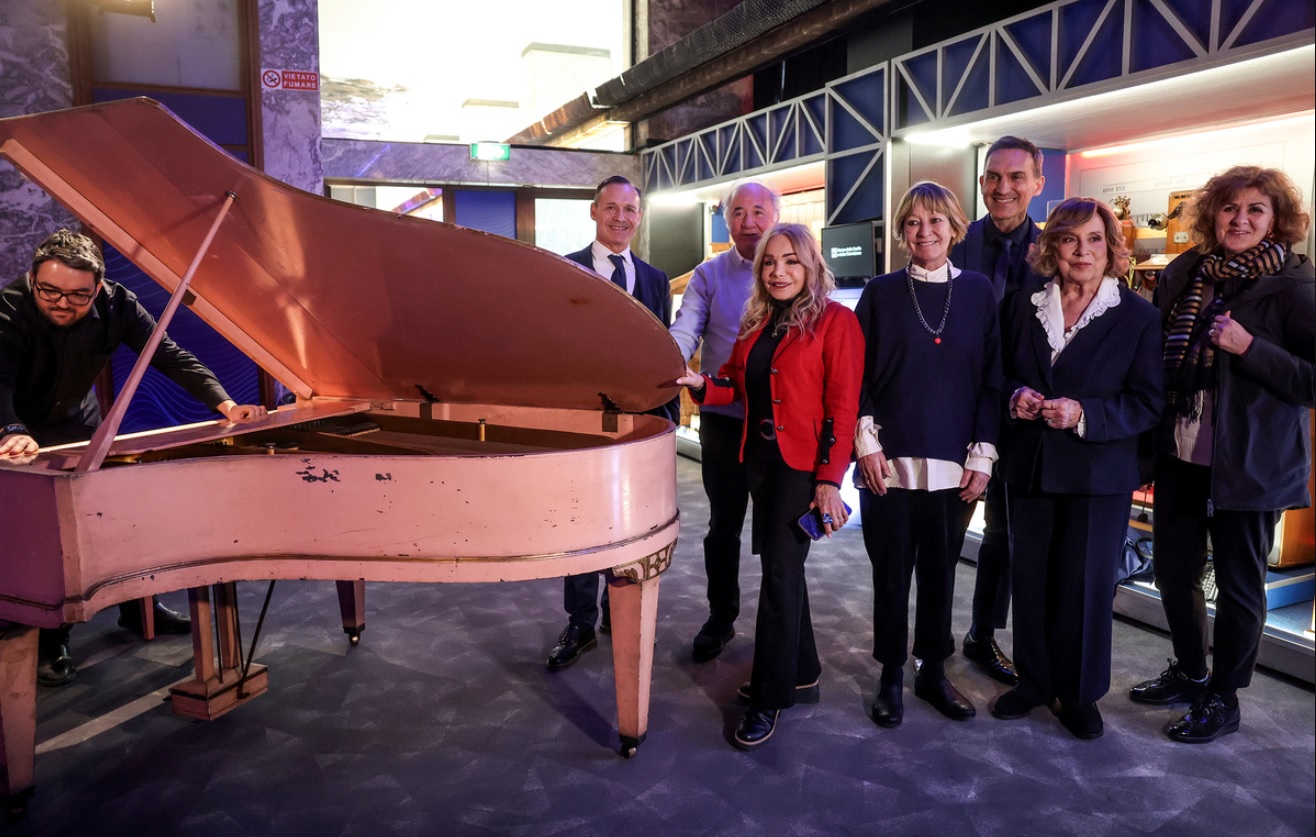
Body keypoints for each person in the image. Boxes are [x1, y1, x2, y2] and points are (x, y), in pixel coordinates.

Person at [0, 229, 268, 686]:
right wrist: (11, 430)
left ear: (98, 288)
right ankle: (52, 638)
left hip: (76, 423)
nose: (63, 304)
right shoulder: (8, 307)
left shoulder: (118, 304)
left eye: (79, 296)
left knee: (114, 518)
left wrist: (223, 403)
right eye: (50, 292)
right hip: (15, 427)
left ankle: (138, 608)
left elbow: (168, 355)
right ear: (32, 278)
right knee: (48, 539)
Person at [1129, 166, 1313, 743]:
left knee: (1238, 584)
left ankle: (1224, 696)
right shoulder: (1186, 272)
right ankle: (1189, 669)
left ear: (1276, 219)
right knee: (1174, 569)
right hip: (1182, 449)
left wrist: (1250, 347)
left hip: (1252, 459)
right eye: (1229, 209)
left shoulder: (1296, 285)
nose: (1240, 220)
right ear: (1212, 216)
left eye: (1255, 210)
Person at [676, 222, 862, 749]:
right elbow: (735, 379)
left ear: (810, 266)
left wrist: (830, 480)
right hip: (757, 459)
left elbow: (842, 411)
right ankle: (802, 672)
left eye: (791, 262)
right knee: (784, 570)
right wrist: (702, 385)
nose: (779, 271)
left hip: (800, 469)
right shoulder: (757, 320)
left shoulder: (836, 323)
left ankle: (771, 695)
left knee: (779, 577)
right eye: (770, 263)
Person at [989, 198, 1163, 740]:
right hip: (1032, 467)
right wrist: (1015, 397)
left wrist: (1086, 413)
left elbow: (1148, 402)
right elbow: (998, 376)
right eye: (1069, 239)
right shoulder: (1021, 305)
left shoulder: (1137, 315)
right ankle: (1033, 682)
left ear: (1111, 248)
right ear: (1053, 247)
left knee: (1085, 588)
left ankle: (1081, 693)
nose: (1081, 251)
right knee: (1032, 580)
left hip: (1097, 473)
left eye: (1093, 240)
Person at [854, 182, 1001, 729]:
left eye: (936, 221)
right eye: (914, 222)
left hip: (953, 462)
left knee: (940, 573)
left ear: (955, 228)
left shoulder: (980, 292)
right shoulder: (880, 293)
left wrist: (984, 454)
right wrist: (866, 442)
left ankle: (932, 670)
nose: (926, 232)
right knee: (891, 573)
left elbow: (993, 377)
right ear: (902, 231)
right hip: (887, 463)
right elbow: (857, 376)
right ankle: (891, 672)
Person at [547, 175, 674, 670]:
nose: (621, 217)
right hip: (582, 421)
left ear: (639, 217)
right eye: (612, 208)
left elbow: (659, 350)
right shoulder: (566, 271)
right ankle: (580, 622)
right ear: (594, 211)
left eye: (631, 210)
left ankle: (615, 613)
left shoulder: (657, 280)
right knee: (581, 519)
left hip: (639, 423)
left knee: (630, 521)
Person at [947, 135, 1049, 686]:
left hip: (1024, 415)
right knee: (944, 533)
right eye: (992, 177)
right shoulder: (955, 243)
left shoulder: (1054, 249)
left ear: (1037, 183)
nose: (1002, 188)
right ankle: (930, 641)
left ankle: (983, 635)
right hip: (960, 413)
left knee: (1007, 537)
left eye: (1015, 178)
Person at [669, 179, 780, 662]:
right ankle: (721, 616)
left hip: (781, 426)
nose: (749, 221)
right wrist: (662, 359)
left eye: (758, 211)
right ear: (725, 218)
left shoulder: (797, 267)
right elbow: (684, 331)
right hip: (722, 419)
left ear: (775, 215)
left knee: (781, 531)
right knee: (723, 526)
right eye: (738, 212)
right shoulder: (709, 275)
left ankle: (782, 626)